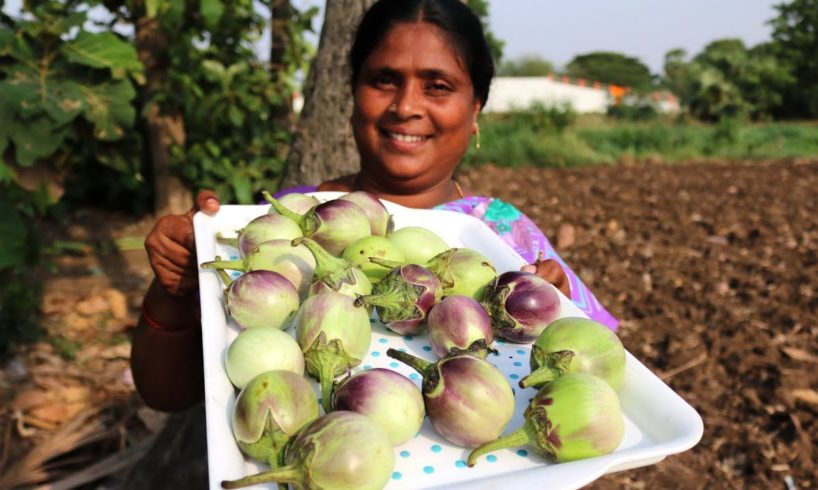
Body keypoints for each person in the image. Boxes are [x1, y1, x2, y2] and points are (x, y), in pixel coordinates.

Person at [132, 0, 617, 416]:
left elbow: (605, 383)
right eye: (385, 80)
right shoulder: (286, 225)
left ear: (476, 110)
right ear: (353, 96)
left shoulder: (505, 235)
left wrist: (556, 307)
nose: (406, 105)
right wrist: (175, 286)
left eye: (438, 85)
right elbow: (165, 395)